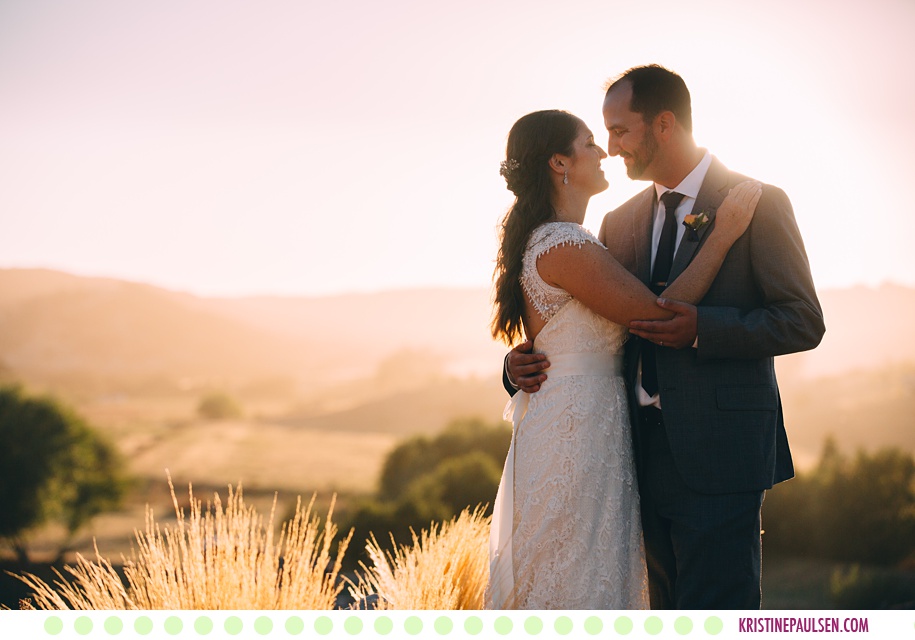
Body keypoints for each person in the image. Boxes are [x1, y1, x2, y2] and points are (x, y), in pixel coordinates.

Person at [505, 66, 825, 609]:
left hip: (720, 453)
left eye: (620, 131)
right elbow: (598, 324)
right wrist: (520, 364)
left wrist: (704, 330)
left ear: (664, 125)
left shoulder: (757, 200)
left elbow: (802, 320)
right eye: (600, 136)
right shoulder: (619, 222)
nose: (610, 148)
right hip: (623, 457)